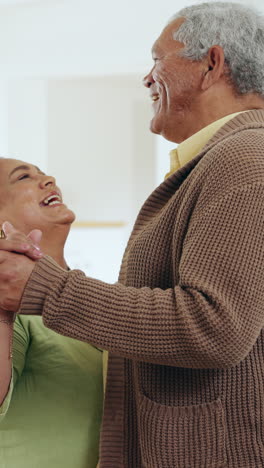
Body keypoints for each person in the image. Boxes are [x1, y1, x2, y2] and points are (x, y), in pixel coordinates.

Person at [0, 2, 264, 466]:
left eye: (157, 60)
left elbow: (214, 328)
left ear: (211, 64)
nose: (147, 78)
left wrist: (42, 288)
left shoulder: (244, 160)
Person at [0, 158, 103, 468]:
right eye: (23, 178)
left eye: (43, 173)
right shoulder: (14, 312)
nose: (49, 180)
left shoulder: (92, 296)